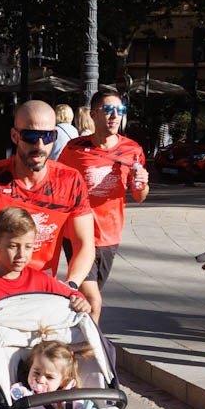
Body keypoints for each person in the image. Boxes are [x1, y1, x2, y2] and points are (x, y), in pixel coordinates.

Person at [0, 100, 95, 299]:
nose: (40, 146)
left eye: (48, 136)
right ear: (15, 136)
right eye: (31, 136)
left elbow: (85, 244)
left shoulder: (71, 181)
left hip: (39, 291)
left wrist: (71, 284)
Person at [57, 90, 151, 321]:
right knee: (93, 300)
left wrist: (142, 183)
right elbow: (57, 184)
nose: (114, 116)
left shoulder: (133, 150)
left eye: (120, 111)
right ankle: (90, 351)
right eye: (108, 110)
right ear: (93, 115)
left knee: (86, 295)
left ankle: (69, 334)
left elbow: (140, 196)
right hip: (77, 233)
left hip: (109, 235)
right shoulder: (73, 149)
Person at [0, 205, 91, 338]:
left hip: (36, 358)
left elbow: (72, 294)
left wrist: (80, 301)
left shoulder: (40, 280)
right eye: (13, 246)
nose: (21, 254)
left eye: (28, 247)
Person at [11, 339, 99, 409]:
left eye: (49, 377)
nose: (40, 379)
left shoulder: (75, 398)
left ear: (63, 381)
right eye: (36, 373)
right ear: (30, 368)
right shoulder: (24, 395)